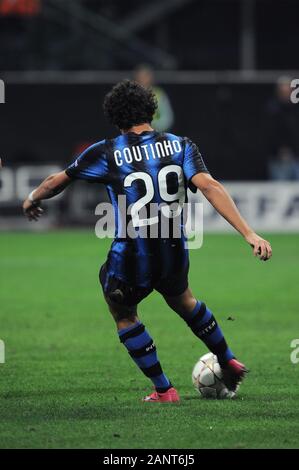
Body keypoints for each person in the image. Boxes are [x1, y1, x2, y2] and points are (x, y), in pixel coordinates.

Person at [23, 80, 272, 403]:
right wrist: (249, 233)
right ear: (151, 110)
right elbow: (209, 186)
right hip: (173, 249)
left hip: (132, 254)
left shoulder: (108, 150)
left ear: (114, 116)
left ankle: (164, 389)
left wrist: (32, 198)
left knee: (123, 311)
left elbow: (57, 182)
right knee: (184, 300)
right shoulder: (181, 145)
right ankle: (228, 358)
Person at [135, 65, 174, 132]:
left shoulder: (159, 94)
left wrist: (154, 128)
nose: (142, 79)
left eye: (145, 76)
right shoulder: (131, 95)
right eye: (140, 76)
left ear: (150, 77)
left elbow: (167, 118)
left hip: (156, 134)